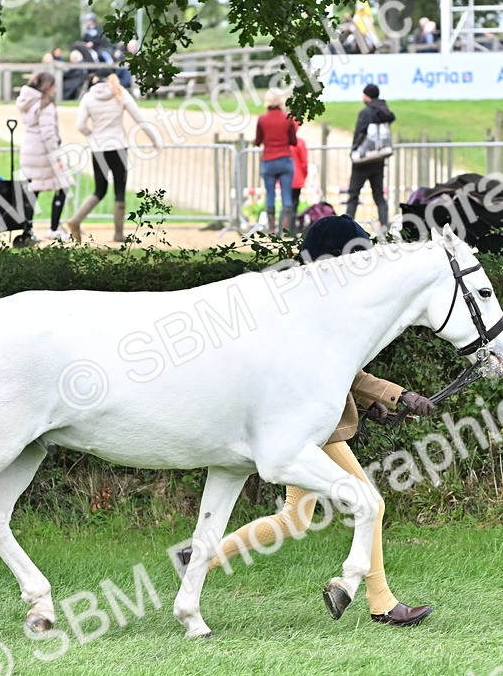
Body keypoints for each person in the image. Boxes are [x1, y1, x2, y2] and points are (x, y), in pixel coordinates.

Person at [178, 215, 436, 628]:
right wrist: (398, 394)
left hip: (309, 427)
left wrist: (372, 407)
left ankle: (200, 559)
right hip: (305, 431)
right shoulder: (314, 305)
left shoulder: (309, 298)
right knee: (372, 502)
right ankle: (381, 601)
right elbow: (343, 374)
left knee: (295, 518)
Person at [66, 68, 158, 242]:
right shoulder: (119, 93)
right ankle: (118, 233)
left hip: (98, 148)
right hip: (118, 147)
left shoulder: (88, 97)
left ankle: (76, 220)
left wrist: (91, 134)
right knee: (119, 190)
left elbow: (80, 125)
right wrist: (154, 139)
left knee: (99, 190)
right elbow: (139, 118)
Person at [16, 72, 74, 245]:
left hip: (29, 149)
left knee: (33, 191)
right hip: (43, 153)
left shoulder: (28, 102)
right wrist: (56, 157)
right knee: (63, 186)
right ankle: (53, 229)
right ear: (48, 86)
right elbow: (48, 134)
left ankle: (28, 230)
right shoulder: (45, 104)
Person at [345, 84, 394, 233]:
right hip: (378, 160)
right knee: (379, 196)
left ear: (367, 96)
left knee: (353, 195)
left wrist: (354, 151)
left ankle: (346, 228)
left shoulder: (366, 113)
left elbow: (359, 133)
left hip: (363, 161)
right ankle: (384, 227)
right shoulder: (385, 112)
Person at [254, 90, 298, 234]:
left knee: (270, 195)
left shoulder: (262, 119)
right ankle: (284, 230)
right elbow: (293, 141)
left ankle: (272, 229)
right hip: (285, 159)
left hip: (269, 160)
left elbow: (258, 141)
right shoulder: (288, 118)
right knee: (286, 196)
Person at [291, 133, 309, 227]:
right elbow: (304, 163)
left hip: (285, 178)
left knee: (286, 202)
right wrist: (304, 175)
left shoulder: (284, 142)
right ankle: (291, 227)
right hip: (297, 178)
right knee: (294, 203)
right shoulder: (300, 142)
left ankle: (284, 226)